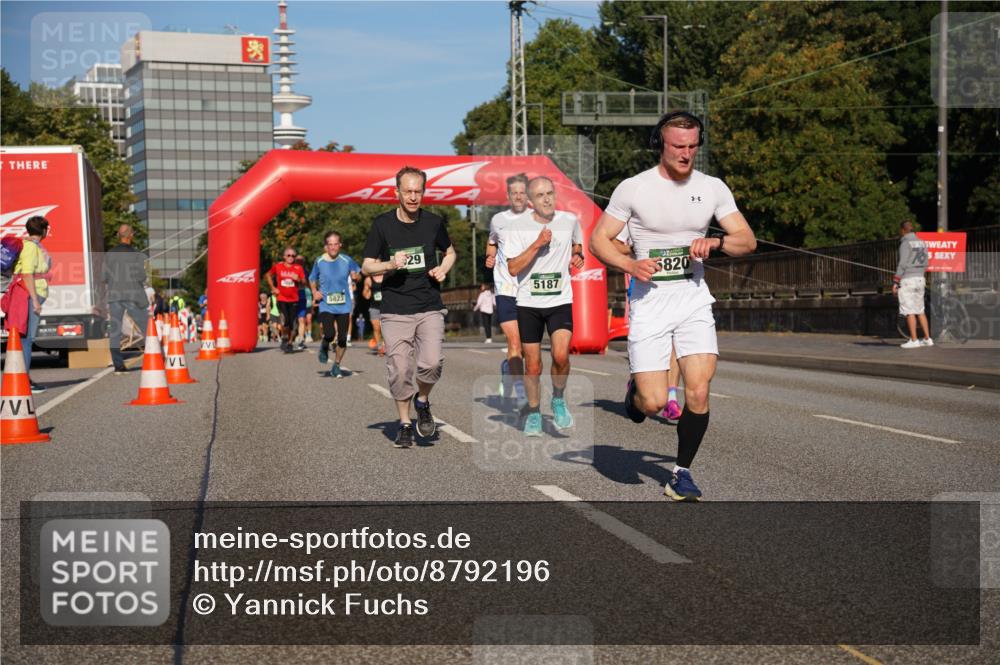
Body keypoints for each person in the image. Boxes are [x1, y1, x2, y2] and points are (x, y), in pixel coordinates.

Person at [590, 111, 757, 501]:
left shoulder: (713, 187)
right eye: (678, 146)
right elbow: (599, 240)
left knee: (697, 393)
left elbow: (746, 240)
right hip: (650, 302)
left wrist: (714, 244)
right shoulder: (633, 188)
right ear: (660, 145)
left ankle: (681, 473)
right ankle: (635, 392)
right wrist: (630, 264)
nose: (686, 154)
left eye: (692, 146)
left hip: (693, 297)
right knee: (652, 402)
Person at [362, 166, 457, 448]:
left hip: (429, 304)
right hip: (395, 308)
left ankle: (423, 399)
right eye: (408, 191)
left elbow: (450, 252)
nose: (413, 197)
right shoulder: (382, 225)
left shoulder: (434, 223)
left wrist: (443, 268)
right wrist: (391, 263)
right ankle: (404, 423)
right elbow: (367, 265)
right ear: (397, 193)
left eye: (418, 191)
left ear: (424, 192)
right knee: (400, 369)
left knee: (431, 363)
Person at [505, 176, 585, 436]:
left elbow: (578, 243)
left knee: (561, 355)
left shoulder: (569, 220)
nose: (547, 198)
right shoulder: (518, 227)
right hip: (529, 303)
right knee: (534, 365)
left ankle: (558, 399)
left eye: (550, 193)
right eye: (540, 196)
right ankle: (535, 411)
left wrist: (577, 254)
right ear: (530, 202)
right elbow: (513, 267)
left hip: (560, 299)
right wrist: (537, 244)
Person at [613, 224, 683, 425]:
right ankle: (637, 380)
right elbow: (612, 246)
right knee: (645, 344)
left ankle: (671, 399)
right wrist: (635, 247)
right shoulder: (635, 213)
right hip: (644, 290)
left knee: (674, 344)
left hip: (675, 289)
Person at [485, 173, 529, 407]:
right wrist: (490, 257)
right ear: (508, 196)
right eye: (515, 193)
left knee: (524, 346)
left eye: (523, 192)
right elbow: (492, 242)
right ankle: (522, 396)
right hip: (505, 288)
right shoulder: (498, 220)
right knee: (514, 343)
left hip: (530, 290)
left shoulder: (539, 219)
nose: (519, 196)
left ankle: (507, 368)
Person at [309, 231, 361, 378]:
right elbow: (312, 278)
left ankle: (336, 365)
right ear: (326, 246)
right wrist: (314, 292)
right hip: (326, 304)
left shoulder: (347, 260)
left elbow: (358, 273)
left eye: (335, 244)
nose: (333, 247)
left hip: (344, 304)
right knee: (330, 333)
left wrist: (356, 277)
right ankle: (324, 345)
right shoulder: (319, 261)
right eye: (330, 244)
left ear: (340, 245)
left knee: (342, 338)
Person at [11, 216, 52, 392]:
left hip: (33, 294)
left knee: (26, 339)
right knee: (27, 340)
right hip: (29, 296)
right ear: (42, 230)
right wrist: (35, 300)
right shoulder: (30, 248)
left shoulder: (34, 246)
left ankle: (24, 379)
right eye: (46, 229)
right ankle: (23, 382)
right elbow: (27, 274)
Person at [102, 223, 149, 376]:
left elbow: (104, 277)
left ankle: (118, 365)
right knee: (145, 327)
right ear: (131, 236)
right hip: (133, 295)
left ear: (118, 236)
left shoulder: (109, 254)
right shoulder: (136, 254)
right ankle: (156, 357)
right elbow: (142, 276)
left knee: (115, 331)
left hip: (115, 295)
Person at [893, 220, 932, 349]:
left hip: (908, 280)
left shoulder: (905, 243)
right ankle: (927, 338)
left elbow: (903, 263)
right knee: (920, 310)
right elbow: (926, 262)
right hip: (920, 278)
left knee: (909, 311)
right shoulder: (921, 242)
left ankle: (914, 340)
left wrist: (895, 281)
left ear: (903, 230)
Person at [265, 246, 308, 353]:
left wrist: (298, 279)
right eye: (288, 255)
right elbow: (268, 275)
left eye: (293, 256)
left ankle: (289, 342)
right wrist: (273, 288)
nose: (291, 257)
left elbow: (304, 283)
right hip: (282, 298)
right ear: (284, 256)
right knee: (284, 321)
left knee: (292, 323)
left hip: (294, 299)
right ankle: (284, 337)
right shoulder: (278, 266)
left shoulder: (298, 268)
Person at [362, 274, 385, 355]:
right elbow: (365, 293)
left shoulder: (387, 276)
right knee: (376, 328)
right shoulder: (369, 279)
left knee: (386, 328)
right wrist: (366, 293)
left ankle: (386, 345)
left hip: (387, 307)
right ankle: (379, 347)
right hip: (374, 307)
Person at [294, 255, 310, 349]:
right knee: (290, 320)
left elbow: (305, 283)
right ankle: (288, 340)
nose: (300, 261)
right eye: (298, 260)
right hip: (290, 297)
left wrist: (299, 280)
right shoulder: (290, 269)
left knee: (301, 319)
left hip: (302, 296)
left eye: (301, 260)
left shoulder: (305, 272)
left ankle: (300, 339)